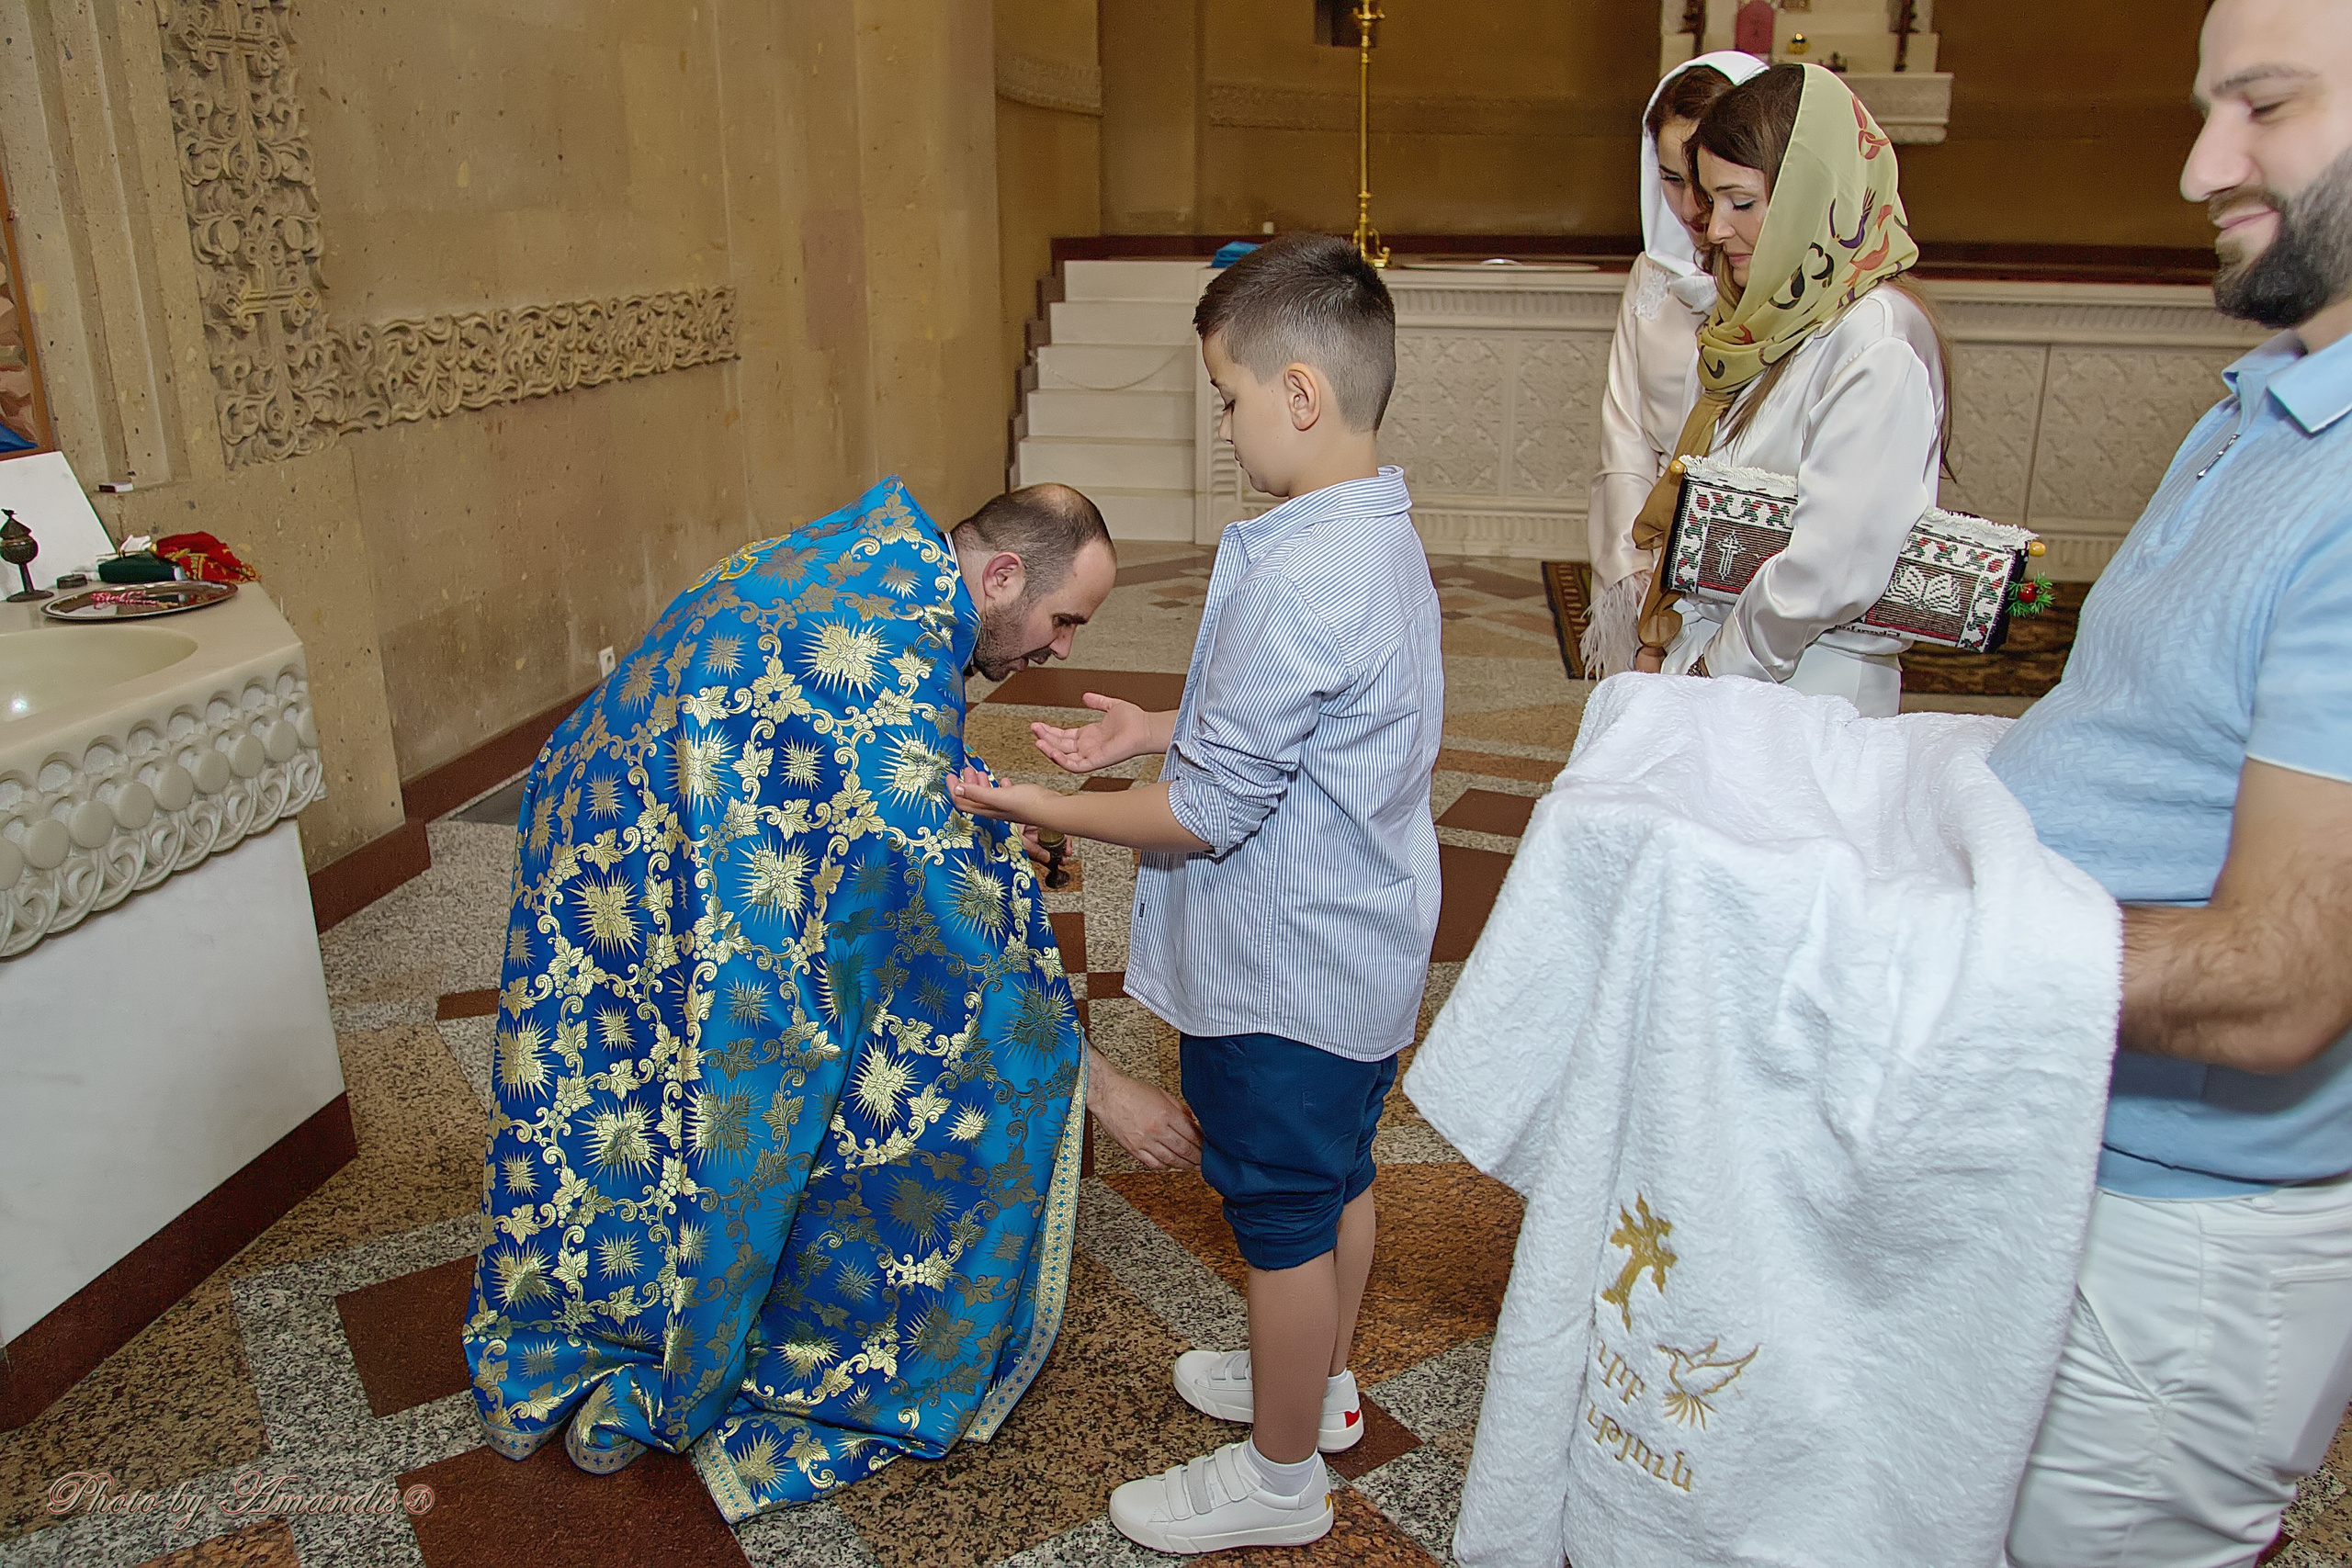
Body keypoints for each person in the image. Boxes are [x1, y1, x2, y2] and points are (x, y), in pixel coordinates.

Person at [461, 478, 1191, 1520]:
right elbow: (957, 931)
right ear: (998, 576)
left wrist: (978, 809)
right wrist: (1099, 1083)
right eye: (1062, 619)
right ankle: (725, 1331)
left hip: (613, 825)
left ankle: (625, 1299)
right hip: (647, 858)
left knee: (632, 1096)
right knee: (781, 1068)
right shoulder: (902, 642)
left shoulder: (876, 563)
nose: (1062, 648)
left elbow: (856, 756)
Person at [948, 232, 1443, 1553]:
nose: (1224, 426)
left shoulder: (1304, 571)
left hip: (1284, 971)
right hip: (1358, 951)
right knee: (1336, 1175)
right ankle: (1320, 1388)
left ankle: (1281, 1477)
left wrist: (1036, 802)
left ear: (1296, 392)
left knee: (1280, 1216)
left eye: (1227, 396)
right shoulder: (1370, 528)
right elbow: (1295, 721)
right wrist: (1150, 725)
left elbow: (1211, 810)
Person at [1988, 0, 2352, 1559]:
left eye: (2262, 106)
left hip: (2186, 1234)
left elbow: (2284, 974)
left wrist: (1898, 945)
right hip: (2082, 1147)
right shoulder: (2271, 403)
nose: (2205, 161)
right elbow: (2149, 746)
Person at [1631, 62, 1951, 718]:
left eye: (1740, 203)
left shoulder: (1877, 338)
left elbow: (1827, 569)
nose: (1715, 228)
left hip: (1806, 694)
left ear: (1812, 193)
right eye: (1710, 200)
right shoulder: (1777, 318)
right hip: (1729, 670)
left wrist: (1707, 673)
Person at [1585, 51, 1766, 678]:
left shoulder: (1788, 297)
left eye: (1704, 180)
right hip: (1647, 550)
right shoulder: (1651, 278)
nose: (1690, 206)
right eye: (1669, 178)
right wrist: (1632, 573)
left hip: (1745, 575)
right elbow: (1625, 432)